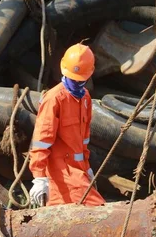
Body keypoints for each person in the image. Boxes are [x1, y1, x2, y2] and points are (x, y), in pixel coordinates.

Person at [28, 43, 105, 207]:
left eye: (80, 80)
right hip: (61, 173)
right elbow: (41, 140)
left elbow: (83, 141)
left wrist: (87, 169)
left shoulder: (85, 98)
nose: (76, 83)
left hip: (78, 172)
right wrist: (39, 177)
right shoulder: (54, 98)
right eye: (73, 78)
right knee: (97, 208)